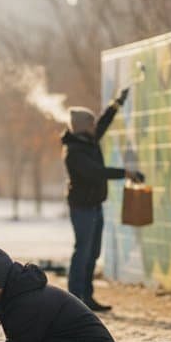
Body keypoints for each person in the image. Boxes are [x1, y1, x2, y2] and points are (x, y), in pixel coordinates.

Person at [61, 90, 143, 312]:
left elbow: (104, 122)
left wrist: (117, 103)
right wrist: (125, 172)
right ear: (83, 125)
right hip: (82, 208)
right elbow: (95, 172)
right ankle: (75, 299)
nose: (95, 124)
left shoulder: (88, 140)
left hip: (95, 205)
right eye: (92, 122)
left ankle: (86, 297)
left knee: (93, 252)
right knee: (83, 251)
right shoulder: (73, 151)